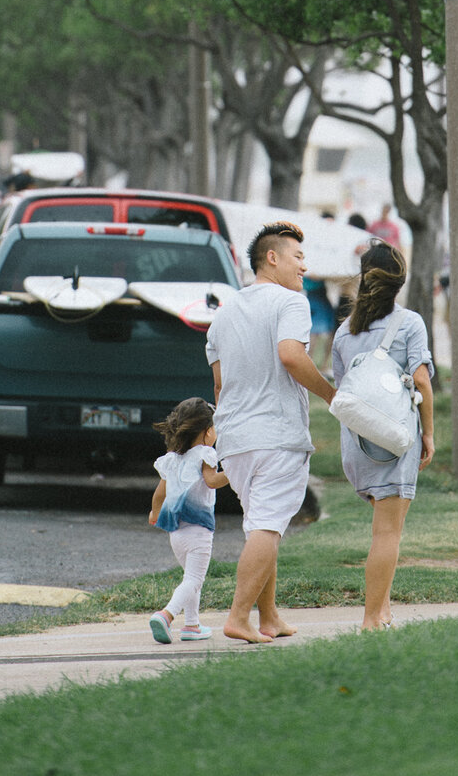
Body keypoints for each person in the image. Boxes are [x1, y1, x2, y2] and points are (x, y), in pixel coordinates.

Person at [205, 220, 336, 644]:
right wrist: (333, 396)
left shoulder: (224, 314)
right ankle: (238, 617)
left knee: (263, 525)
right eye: (298, 257)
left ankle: (270, 616)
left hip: (236, 439)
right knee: (267, 527)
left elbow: (220, 385)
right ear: (272, 258)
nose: (304, 267)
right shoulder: (290, 303)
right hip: (276, 436)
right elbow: (291, 357)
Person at [331, 240, 434, 631]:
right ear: (399, 280)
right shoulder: (409, 323)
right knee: (388, 533)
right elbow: (421, 379)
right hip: (395, 440)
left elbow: (346, 393)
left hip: (357, 445)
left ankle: (384, 610)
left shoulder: (343, 333)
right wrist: (429, 434)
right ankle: (372, 618)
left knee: (382, 530)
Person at [147, 397, 231, 644]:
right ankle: (166, 615)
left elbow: (159, 493)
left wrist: (154, 513)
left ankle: (192, 626)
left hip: (176, 534)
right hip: (199, 531)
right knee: (194, 579)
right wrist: (236, 471)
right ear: (207, 432)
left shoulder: (172, 459)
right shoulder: (205, 453)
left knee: (190, 578)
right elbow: (212, 481)